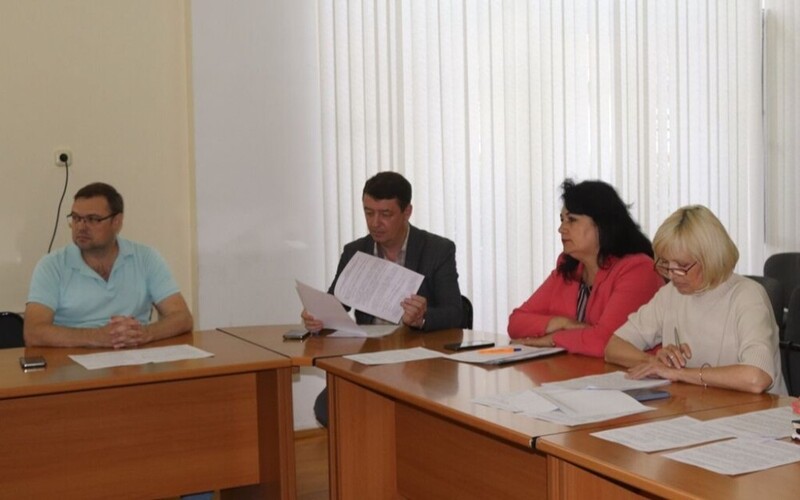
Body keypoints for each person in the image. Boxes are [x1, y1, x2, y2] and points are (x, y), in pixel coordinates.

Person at [302, 171, 463, 426]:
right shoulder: (356, 251)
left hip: (419, 361)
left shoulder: (437, 250)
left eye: (385, 214)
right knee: (329, 407)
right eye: (369, 213)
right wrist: (317, 316)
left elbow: (456, 312)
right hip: (369, 359)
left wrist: (423, 317)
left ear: (407, 212)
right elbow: (336, 304)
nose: (375, 222)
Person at [605, 205, 787, 395]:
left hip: (755, 409)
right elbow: (614, 347)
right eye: (666, 263)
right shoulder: (671, 293)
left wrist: (679, 374)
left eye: (682, 265)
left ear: (711, 259)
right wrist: (654, 362)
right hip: (700, 404)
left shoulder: (748, 296)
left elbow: (757, 378)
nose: (672, 274)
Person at [24, 182, 193, 348]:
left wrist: (144, 333)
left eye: (92, 219)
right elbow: (33, 332)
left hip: (134, 357)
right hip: (72, 358)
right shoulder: (52, 265)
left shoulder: (145, 258)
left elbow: (182, 318)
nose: (81, 227)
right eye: (76, 218)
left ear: (117, 221)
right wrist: (97, 337)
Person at [507, 179, 664, 357]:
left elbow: (607, 342)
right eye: (562, 220)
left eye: (572, 220)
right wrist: (564, 323)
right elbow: (516, 323)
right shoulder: (569, 267)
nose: (561, 229)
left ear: (602, 224)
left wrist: (552, 339)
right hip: (575, 370)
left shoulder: (638, 270)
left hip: (627, 373)